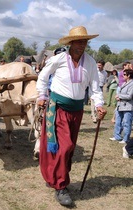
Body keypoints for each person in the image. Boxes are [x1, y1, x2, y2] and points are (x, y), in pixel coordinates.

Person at [36, 26, 106, 207]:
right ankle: (60, 186)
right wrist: (42, 95)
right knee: (62, 147)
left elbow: (95, 87)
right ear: (71, 42)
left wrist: (98, 105)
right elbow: (43, 76)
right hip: (57, 108)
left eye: (85, 41)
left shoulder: (90, 62)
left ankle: (54, 177)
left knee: (69, 148)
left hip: (77, 111)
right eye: (79, 41)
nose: (82, 45)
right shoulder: (58, 59)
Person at [109, 69, 133, 144]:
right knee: (118, 122)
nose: (123, 76)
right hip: (120, 105)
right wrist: (118, 96)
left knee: (126, 123)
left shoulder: (132, 84)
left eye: (124, 74)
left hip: (128, 106)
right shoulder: (124, 83)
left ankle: (126, 139)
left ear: (129, 75)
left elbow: (129, 96)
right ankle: (117, 136)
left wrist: (120, 96)